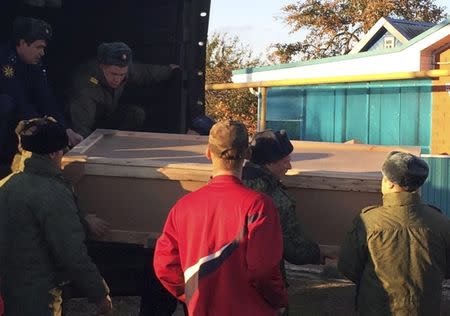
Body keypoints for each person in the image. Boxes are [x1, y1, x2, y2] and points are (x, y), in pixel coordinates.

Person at [153, 120, 288, 315]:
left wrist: (192, 295)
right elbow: (263, 268)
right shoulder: (259, 206)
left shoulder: (183, 207)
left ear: (208, 153)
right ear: (248, 155)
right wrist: (279, 300)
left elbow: (164, 265)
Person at [0, 116, 112, 316]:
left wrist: (82, 219)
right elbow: (72, 254)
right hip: (37, 298)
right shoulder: (53, 193)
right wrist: (99, 294)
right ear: (53, 153)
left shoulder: (7, 184)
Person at [338, 151, 450, 315]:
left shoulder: (368, 222)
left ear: (389, 183)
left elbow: (348, 267)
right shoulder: (442, 223)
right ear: (419, 185)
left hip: (376, 309)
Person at [241, 129, 338, 315]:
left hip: (224, 287)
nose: (290, 166)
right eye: (285, 161)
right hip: (264, 291)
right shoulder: (274, 198)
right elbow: (294, 248)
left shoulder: (234, 183)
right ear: (269, 163)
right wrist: (322, 252)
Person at [66, 41, 214, 138]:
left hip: (107, 116)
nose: (118, 79)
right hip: (84, 123)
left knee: (136, 113)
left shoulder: (124, 71)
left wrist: (170, 70)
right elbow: (81, 127)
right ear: (102, 66)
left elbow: (146, 72)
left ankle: (119, 145)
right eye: (113, 74)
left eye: (122, 74)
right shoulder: (85, 86)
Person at [0, 17, 83, 176]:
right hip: (10, 111)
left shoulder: (35, 63)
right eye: (38, 47)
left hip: (21, 112)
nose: (42, 53)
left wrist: (65, 129)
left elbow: (46, 99)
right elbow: (20, 102)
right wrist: (47, 130)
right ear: (23, 43)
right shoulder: (5, 62)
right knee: (6, 103)